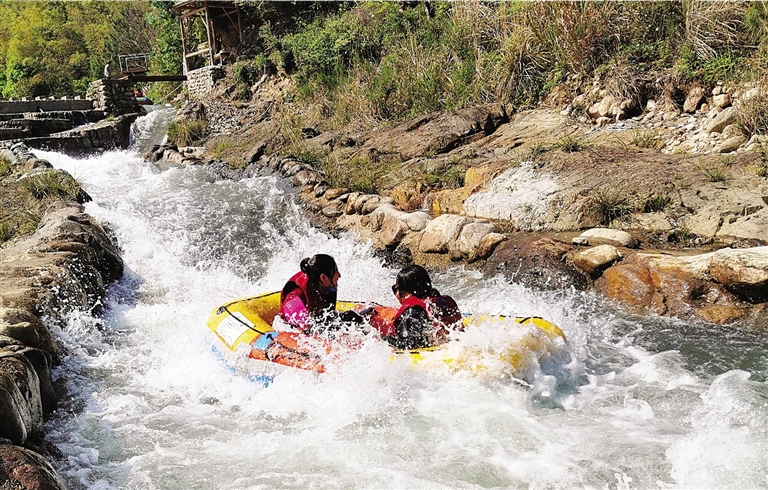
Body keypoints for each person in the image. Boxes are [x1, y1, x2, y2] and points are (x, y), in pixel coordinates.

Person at [375, 265, 463, 350]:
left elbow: (409, 345)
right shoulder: (442, 300)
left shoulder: (411, 310)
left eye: (395, 289)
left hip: (437, 353)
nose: (396, 294)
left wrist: (381, 338)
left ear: (405, 292)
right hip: (458, 343)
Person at [279, 254, 361, 334]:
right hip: (291, 332)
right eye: (336, 271)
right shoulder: (294, 301)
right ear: (323, 278)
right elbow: (306, 332)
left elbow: (328, 318)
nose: (339, 275)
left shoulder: (326, 286)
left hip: (313, 325)